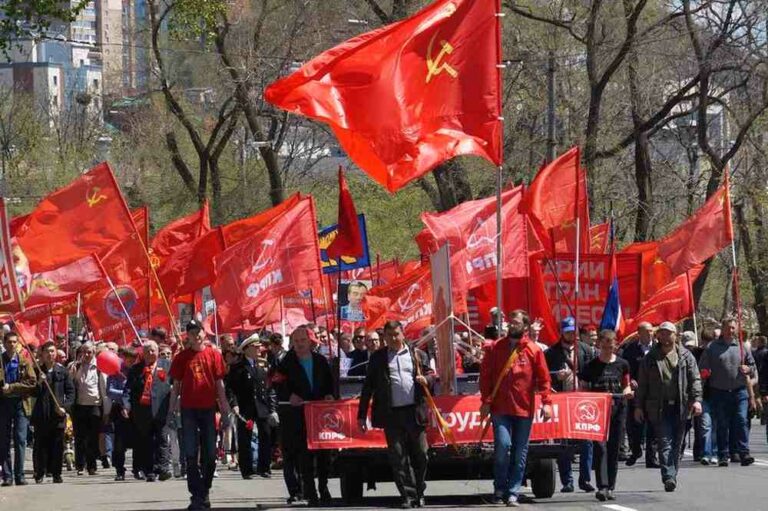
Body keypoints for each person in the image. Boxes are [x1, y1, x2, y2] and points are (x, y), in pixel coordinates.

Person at [358, 320, 435, 509]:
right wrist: (361, 415)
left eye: (396, 334)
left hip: (414, 411)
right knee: (398, 456)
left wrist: (427, 379)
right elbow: (368, 388)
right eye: (389, 335)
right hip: (391, 413)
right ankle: (408, 496)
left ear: (403, 334)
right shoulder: (377, 358)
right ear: (384, 337)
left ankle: (419, 490)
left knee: (421, 454)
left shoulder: (417, 354)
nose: (393, 338)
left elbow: (432, 374)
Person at [480, 310, 553, 507]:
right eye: (510, 322)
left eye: (516, 322)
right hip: (500, 408)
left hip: (524, 409)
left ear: (525, 326)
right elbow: (486, 376)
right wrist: (485, 401)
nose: (512, 325)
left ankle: (513, 491)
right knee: (503, 446)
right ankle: (499, 488)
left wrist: (546, 403)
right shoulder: (496, 347)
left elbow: (544, 379)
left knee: (520, 451)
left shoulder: (533, 350)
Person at [169, 321, 230, 511]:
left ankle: (205, 489)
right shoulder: (181, 358)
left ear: (204, 333)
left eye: (199, 331)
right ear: (187, 335)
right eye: (192, 332)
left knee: (210, 455)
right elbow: (176, 387)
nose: (196, 335)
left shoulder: (214, 355)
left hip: (208, 409)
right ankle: (197, 494)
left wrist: (226, 410)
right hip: (188, 410)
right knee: (190, 453)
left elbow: (220, 385)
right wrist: (172, 411)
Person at [635, 322, 702, 492]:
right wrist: (638, 406)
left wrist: (697, 400)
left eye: (668, 333)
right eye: (662, 334)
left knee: (678, 444)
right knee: (664, 442)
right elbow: (642, 384)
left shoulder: (686, 356)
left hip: (681, 406)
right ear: (657, 336)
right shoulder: (650, 358)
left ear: (676, 335)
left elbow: (695, 379)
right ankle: (668, 476)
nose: (665, 337)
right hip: (659, 407)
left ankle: (672, 474)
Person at [276, 326, 334, 506]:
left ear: (310, 342)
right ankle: (310, 492)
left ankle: (323, 487)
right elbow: (276, 382)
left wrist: (330, 394)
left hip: (319, 415)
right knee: (304, 455)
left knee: (324, 455)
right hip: (297, 415)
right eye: (296, 341)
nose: (299, 344)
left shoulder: (321, 360)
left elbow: (330, 383)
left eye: (303, 340)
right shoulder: (286, 361)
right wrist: (289, 395)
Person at [579, 330, 633, 501]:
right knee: (600, 448)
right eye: (605, 346)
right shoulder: (590, 366)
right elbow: (583, 387)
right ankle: (602, 485)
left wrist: (628, 392)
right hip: (597, 413)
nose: (608, 349)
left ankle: (610, 486)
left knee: (613, 448)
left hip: (618, 410)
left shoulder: (623, 364)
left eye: (611, 346)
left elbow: (626, 385)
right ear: (599, 345)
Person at [545, 316, 595, 493]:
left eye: (573, 331)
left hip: (581, 401)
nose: (570, 334)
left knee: (587, 442)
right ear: (562, 332)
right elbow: (544, 378)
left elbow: (594, 373)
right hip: (561, 400)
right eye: (567, 331)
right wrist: (555, 377)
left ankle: (585, 479)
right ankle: (567, 481)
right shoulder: (551, 353)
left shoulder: (586, 350)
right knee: (563, 443)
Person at [699, 317, 757, 467]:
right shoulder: (712, 347)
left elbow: (753, 367)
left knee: (741, 420)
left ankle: (744, 453)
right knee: (722, 424)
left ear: (736, 329)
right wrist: (704, 375)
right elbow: (702, 368)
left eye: (733, 328)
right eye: (728, 327)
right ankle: (723, 454)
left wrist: (748, 369)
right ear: (722, 329)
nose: (731, 330)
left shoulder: (743, 347)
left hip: (740, 391)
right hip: (719, 392)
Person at [226, 334, 278, 479]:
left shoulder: (264, 365)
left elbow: (269, 388)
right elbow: (230, 389)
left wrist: (272, 408)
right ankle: (247, 469)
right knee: (245, 438)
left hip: (262, 406)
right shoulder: (238, 367)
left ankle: (264, 467)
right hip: (245, 407)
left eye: (259, 347)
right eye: (255, 347)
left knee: (266, 436)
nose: (259, 350)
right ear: (247, 349)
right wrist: (234, 404)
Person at [124, 340, 173, 482]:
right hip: (142, 412)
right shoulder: (136, 369)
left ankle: (163, 469)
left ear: (158, 352)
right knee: (146, 442)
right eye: (147, 351)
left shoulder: (167, 366)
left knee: (163, 439)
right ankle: (149, 470)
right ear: (143, 353)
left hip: (161, 409)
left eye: (153, 350)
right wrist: (126, 406)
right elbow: (128, 390)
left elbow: (175, 385)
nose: (150, 353)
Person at [31, 341, 75, 484]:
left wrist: (65, 407)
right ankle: (39, 472)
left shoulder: (62, 371)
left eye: (52, 351)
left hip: (57, 413)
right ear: (42, 354)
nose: (50, 354)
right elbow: (32, 392)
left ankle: (56, 473)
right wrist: (38, 381)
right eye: (47, 351)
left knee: (57, 445)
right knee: (40, 445)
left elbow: (70, 392)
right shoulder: (36, 370)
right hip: (41, 414)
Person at [618, 321, 659, 467]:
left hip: (654, 393)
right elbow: (624, 368)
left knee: (653, 426)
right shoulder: (630, 349)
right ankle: (635, 450)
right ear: (639, 333)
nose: (649, 333)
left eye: (651, 331)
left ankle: (651, 458)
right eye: (646, 331)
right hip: (636, 394)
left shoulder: (658, 348)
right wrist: (630, 381)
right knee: (634, 425)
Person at [0, 331, 37, 486]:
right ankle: (7, 476)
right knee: (4, 440)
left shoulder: (24, 361)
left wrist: (13, 387)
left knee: (20, 439)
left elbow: (32, 382)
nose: (12, 344)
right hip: (3, 404)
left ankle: (20, 475)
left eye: (15, 342)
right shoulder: (1, 360)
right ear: (4, 343)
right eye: (9, 342)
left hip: (21, 404)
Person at [70, 341, 110, 476]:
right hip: (79, 406)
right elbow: (70, 385)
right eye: (84, 352)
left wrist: (106, 410)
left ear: (94, 353)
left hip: (95, 405)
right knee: (80, 437)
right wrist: (72, 373)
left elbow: (104, 389)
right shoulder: (75, 366)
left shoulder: (99, 367)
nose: (87, 355)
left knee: (93, 438)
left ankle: (92, 466)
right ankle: (80, 465)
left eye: (90, 352)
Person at [106, 347, 138, 481]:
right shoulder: (115, 373)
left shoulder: (137, 372)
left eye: (133, 360)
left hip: (135, 410)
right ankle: (120, 470)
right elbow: (110, 391)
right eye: (128, 359)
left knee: (138, 441)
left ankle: (138, 468)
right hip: (119, 409)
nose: (130, 362)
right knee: (119, 443)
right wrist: (126, 394)